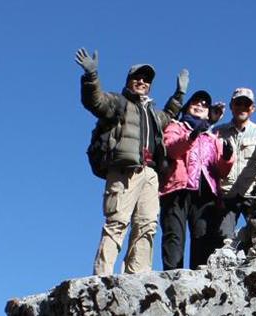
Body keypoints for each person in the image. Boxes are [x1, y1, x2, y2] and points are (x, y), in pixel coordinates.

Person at [75, 48, 187, 275]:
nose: (142, 82)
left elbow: (168, 116)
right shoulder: (118, 102)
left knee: (147, 225)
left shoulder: (153, 113)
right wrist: (91, 77)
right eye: (138, 77)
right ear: (129, 80)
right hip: (124, 171)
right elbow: (94, 101)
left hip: (150, 173)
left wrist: (179, 95)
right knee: (117, 222)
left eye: (146, 79)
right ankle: (103, 275)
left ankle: (138, 275)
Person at [159, 90, 235, 270]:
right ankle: (172, 276)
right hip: (177, 189)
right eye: (196, 102)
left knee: (203, 238)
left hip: (206, 194)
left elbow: (222, 171)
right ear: (187, 106)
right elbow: (171, 149)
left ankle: (199, 283)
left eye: (204, 104)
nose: (200, 105)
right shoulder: (175, 127)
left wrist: (227, 157)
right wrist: (191, 136)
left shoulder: (212, 137)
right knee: (174, 236)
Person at [212, 88, 256, 246]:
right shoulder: (217, 131)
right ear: (231, 106)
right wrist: (210, 119)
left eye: (246, 104)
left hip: (251, 194)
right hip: (226, 194)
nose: (242, 107)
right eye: (238, 103)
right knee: (223, 240)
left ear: (253, 108)